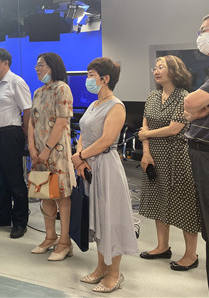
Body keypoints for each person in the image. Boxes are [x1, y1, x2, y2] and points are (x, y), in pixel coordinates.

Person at [71, 57, 138, 293]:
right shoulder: (93, 104)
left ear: (105, 79)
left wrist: (80, 156)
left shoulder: (116, 106)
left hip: (106, 167)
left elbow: (106, 140)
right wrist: (80, 157)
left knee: (111, 219)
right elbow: (83, 133)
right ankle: (100, 267)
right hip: (89, 166)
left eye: (91, 75)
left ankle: (114, 273)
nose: (87, 79)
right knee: (98, 218)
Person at [138, 55, 201, 271]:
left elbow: (174, 128)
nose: (156, 71)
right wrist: (146, 153)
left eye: (161, 67)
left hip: (177, 157)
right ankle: (162, 246)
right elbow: (144, 125)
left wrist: (147, 134)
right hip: (153, 156)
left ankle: (191, 255)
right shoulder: (152, 96)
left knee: (184, 204)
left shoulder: (185, 97)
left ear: (174, 70)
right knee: (159, 199)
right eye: (155, 67)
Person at [28, 52, 76, 261]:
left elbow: (62, 122)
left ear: (52, 66)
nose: (37, 69)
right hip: (39, 152)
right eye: (37, 65)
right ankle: (50, 237)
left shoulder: (62, 89)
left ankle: (65, 241)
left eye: (41, 65)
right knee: (44, 192)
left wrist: (47, 150)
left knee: (62, 195)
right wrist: (32, 148)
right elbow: (31, 122)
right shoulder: (38, 92)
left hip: (57, 152)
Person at [183, 12, 209, 297]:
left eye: (204, 30)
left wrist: (194, 109)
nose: (200, 36)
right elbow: (191, 110)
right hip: (202, 155)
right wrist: (194, 112)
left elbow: (190, 103)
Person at [0, 48, 32, 239]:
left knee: (14, 180)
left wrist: (26, 132)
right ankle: (3, 216)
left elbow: (27, 109)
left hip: (10, 135)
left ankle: (20, 221)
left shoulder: (16, 82)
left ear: (6, 63)